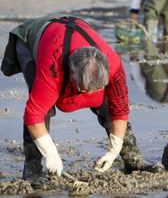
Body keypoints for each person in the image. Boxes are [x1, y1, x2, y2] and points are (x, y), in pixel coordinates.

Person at [1, 14, 155, 185]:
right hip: (33, 38)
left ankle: (133, 160)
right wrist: (51, 153)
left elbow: (120, 108)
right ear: (71, 74)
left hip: (72, 30)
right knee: (43, 108)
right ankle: (32, 169)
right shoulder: (53, 67)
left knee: (107, 104)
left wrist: (113, 150)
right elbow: (33, 115)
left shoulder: (114, 64)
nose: (88, 95)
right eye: (84, 90)